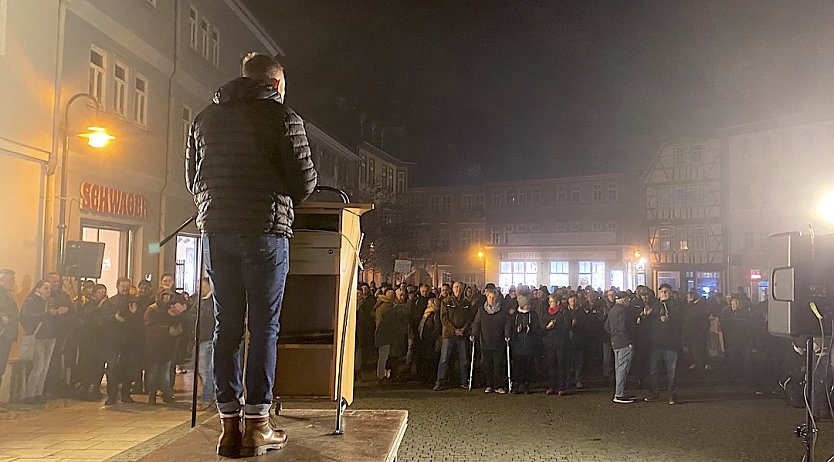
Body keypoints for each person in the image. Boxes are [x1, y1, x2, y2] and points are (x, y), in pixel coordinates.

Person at [185, 51, 316, 458]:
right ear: (275, 84)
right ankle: (258, 425)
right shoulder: (283, 117)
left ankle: (229, 427)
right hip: (264, 230)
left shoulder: (204, 118)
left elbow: (192, 179)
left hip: (216, 230)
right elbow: (304, 182)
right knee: (263, 327)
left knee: (225, 326)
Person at [20, 280, 66, 404]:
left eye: (49, 288)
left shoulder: (50, 301)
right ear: (37, 289)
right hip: (38, 337)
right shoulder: (31, 301)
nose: (48, 290)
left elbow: (53, 317)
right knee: (38, 367)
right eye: (45, 288)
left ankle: (38, 393)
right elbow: (27, 317)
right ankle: (30, 394)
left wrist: (57, 313)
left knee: (45, 367)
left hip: (50, 336)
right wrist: (47, 313)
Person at [644, 284, 683, 405]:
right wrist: (645, 316)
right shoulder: (655, 305)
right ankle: (654, 394)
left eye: (666, 291)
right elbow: (648, 322)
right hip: (656, 344)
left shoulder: (677, 305)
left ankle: (672, 396)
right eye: (662, 291)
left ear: (671, 292)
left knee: (672, 372)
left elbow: (681, 320)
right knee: (653, 371)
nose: (664, 293)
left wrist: (669, 320)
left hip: (671, 344)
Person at [434, 281, 475, 391]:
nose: (458, 289)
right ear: (452, 288)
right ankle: (440, 381)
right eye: (456, 287)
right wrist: (454, 330)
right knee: (444, 359)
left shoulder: (466, 303)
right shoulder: (446, 302)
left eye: (460, 287)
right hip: (448, 334)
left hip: (462, 334)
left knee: (464, 359)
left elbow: (469, 318)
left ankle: (463, 381)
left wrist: (463, 329)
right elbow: (444, 318)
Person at [470, 288, 512, 394]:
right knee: (486, 364)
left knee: (498, 365)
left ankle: (498, 385)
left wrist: (507, 334)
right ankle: (489, 384)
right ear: (487, 298)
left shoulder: (502, 310)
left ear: (497, 298)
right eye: (490, 297)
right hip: (485, 341)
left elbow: (507, 323)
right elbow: (476, 323)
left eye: (493, 298)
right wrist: (474, 334)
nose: (492, 300)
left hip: (498, 341)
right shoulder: (481, 310)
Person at [607, 291, 636, 404]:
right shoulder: (623, 311)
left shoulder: (612, 310)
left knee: (618, 368)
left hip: (615, 341)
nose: (629, 301)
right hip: (623, 343)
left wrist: (613, 335)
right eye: (628, 299)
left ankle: (621, 391)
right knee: (623, 369)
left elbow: (606, 326)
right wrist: (629, 341)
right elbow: (623, 328)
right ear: (624, 299)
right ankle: (619, 394)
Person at [195, 277, 217, 409]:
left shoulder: (212, 301)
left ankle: (207, 398)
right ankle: (211, 396)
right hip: (200, 339)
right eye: (198, 287)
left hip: (208, 338)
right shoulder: (198, 301)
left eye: (202, 286)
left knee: (206, 370)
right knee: (203, 370)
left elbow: (208, 319)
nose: (200, 289)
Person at [511, 294, 539, 393]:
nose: (529, 305)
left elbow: (537, 327)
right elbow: (511, 327)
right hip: (518, 345)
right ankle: (516, 384)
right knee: (518, 366)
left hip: (529, 344)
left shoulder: (533, 315)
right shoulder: (516, 315)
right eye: (527, 304)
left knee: (528, 366)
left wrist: (531, 329)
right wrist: (516, 330)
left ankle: (527, 384)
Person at [0, 269, 18, 398]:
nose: (13, 282)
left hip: (6, 337)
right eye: (11, 279)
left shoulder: (8, 296)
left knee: (1, 368)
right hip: (2, 336)